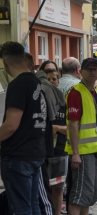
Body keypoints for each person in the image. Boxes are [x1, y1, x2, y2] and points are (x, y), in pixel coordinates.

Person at [0, 42, 47, 214]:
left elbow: (11, 125)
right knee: (33, 205)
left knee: (21, 208)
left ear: (5, 63)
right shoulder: (36, 82)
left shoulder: (18, 85)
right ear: (24, 58)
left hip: (17, 156)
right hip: (35, 153)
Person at [65, 58, 97, 215]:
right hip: (82, 152)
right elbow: (72, 124)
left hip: (92, 151)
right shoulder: (76, 92)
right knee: (78, 195)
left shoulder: (91, 92)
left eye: (96, 69)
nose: (93, 72)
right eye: (90, 69)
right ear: (81, 71)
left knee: (87, 195)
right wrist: (75, 153)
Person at [45, 68, 69, 215]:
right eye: (49, 79)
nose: (52, 82)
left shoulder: (64, 104)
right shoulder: (39, 103)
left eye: (54, 79)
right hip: (43, 154)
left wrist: (57, 128)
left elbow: (73, 128)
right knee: (42, 188)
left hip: (61, 153)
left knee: (58, 188)